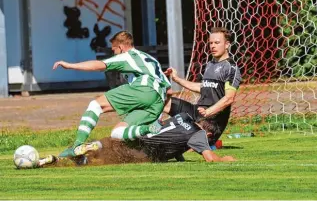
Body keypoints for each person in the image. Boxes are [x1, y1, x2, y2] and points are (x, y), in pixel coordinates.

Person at [53, 31, 172, 157]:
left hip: (143, 88)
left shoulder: (127, 56)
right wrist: (157, 112)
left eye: (113, 50)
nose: (113, 53)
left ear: (121, 47)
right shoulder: (152, 60)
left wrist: (70, 66)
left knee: (96, 105)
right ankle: (148, 129)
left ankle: (77, 146)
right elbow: (169, 90)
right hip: (158, 100)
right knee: (117, 133)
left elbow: (98, 65)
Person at [41, 113, 236, 167]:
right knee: (114, 159)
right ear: (209, 134)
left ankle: (62, 158)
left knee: (112, 144)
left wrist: (179, 155)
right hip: (148, 152)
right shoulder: (200, 135)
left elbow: (170, 135)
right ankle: (81, 160)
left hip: (141, 133)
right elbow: (210, 159)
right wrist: (226, 159)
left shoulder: (183, 116)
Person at [163, 27, 242, 143]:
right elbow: (203, 87)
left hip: (212, 120)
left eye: (217, 43)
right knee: (162, 102)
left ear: (227, 45)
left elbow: (229, 98)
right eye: (211, 43)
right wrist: (176, 79)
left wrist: (209, 111)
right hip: (197, 111)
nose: (213, 46)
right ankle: (144, 131)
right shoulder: (210, 64)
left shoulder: (230, 67)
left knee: (188, 143)